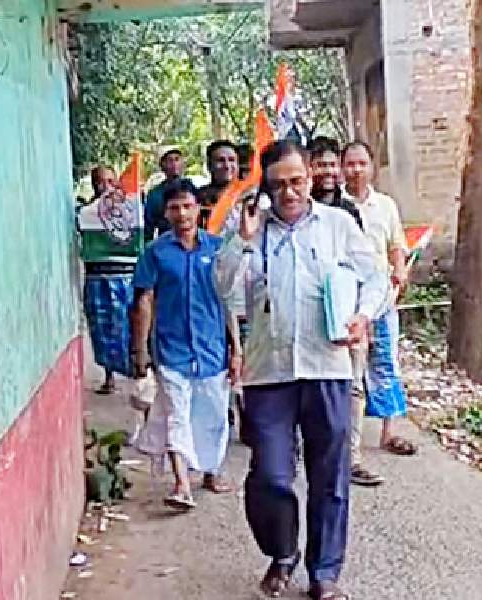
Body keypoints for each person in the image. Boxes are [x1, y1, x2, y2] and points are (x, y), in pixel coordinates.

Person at [214, 140, 389, 600]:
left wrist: (363, 316)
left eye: (296, 181)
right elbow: (222, 286)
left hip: (327, 368)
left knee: (329, 477)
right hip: (268, 373)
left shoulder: (337, 226)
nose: (288, 192)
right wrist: (242, 240)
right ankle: (282, 551)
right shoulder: (250, 232)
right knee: (270, 475)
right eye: (278, 185)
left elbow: (376, 279)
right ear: (264, 188)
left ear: (310, 177)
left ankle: (324, 573)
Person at [132, 180, 237, 510]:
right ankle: (181, 484)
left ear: (198, 209)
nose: (181, 213)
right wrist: (141, 350)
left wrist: (237, 350)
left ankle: (210, 471)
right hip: (172, 348)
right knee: (178, 413)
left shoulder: (217, 249)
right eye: (174, 207)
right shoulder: (156, 254)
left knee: (213, 414)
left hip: (212, 350)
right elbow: (144, 300)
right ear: (166, 212)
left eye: (187, 206)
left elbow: (227, 301)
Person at [309, 137, 384, 487]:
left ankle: (351, 458)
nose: (326, 170)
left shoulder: (349, 212)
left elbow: (367, 268)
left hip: (348, 314)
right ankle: (310, 451)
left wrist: (363, 314)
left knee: (353, 387)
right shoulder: (297, 210)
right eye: (319, 164)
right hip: (310, 317)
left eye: (330, 164)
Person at [342, 141, 417, 457]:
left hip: (382, 298)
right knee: (349, 370)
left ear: (372, 167)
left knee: (385, 361)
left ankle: (389, 431)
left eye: (362, 163)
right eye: (350, 164)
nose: (356, 170)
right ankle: (344, 438)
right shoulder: (335, 205)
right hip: (348, 299)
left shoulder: (385, 205)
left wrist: (399, 272)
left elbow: (396, 244)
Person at [77, 165, 144, 395]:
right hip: (97, 276)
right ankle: (109, 374)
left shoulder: (128, 210)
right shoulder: (87, 213)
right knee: (102, 327)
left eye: (108, 182)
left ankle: (135, 366)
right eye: (98, 182)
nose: (103, 187)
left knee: (127, 324)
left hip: (125, 276)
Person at [144, 147, 198, 242]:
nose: (174, 164)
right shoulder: (155, 194)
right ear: (162, 166)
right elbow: (148, 227)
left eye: (177, 159)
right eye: (170, 160)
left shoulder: (192, 188)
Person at [196, 140, 239, 229]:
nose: (227, 166)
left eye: (232, 160)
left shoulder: (249, 196)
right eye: (221, 160)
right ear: (209, 166)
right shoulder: (198, 198)